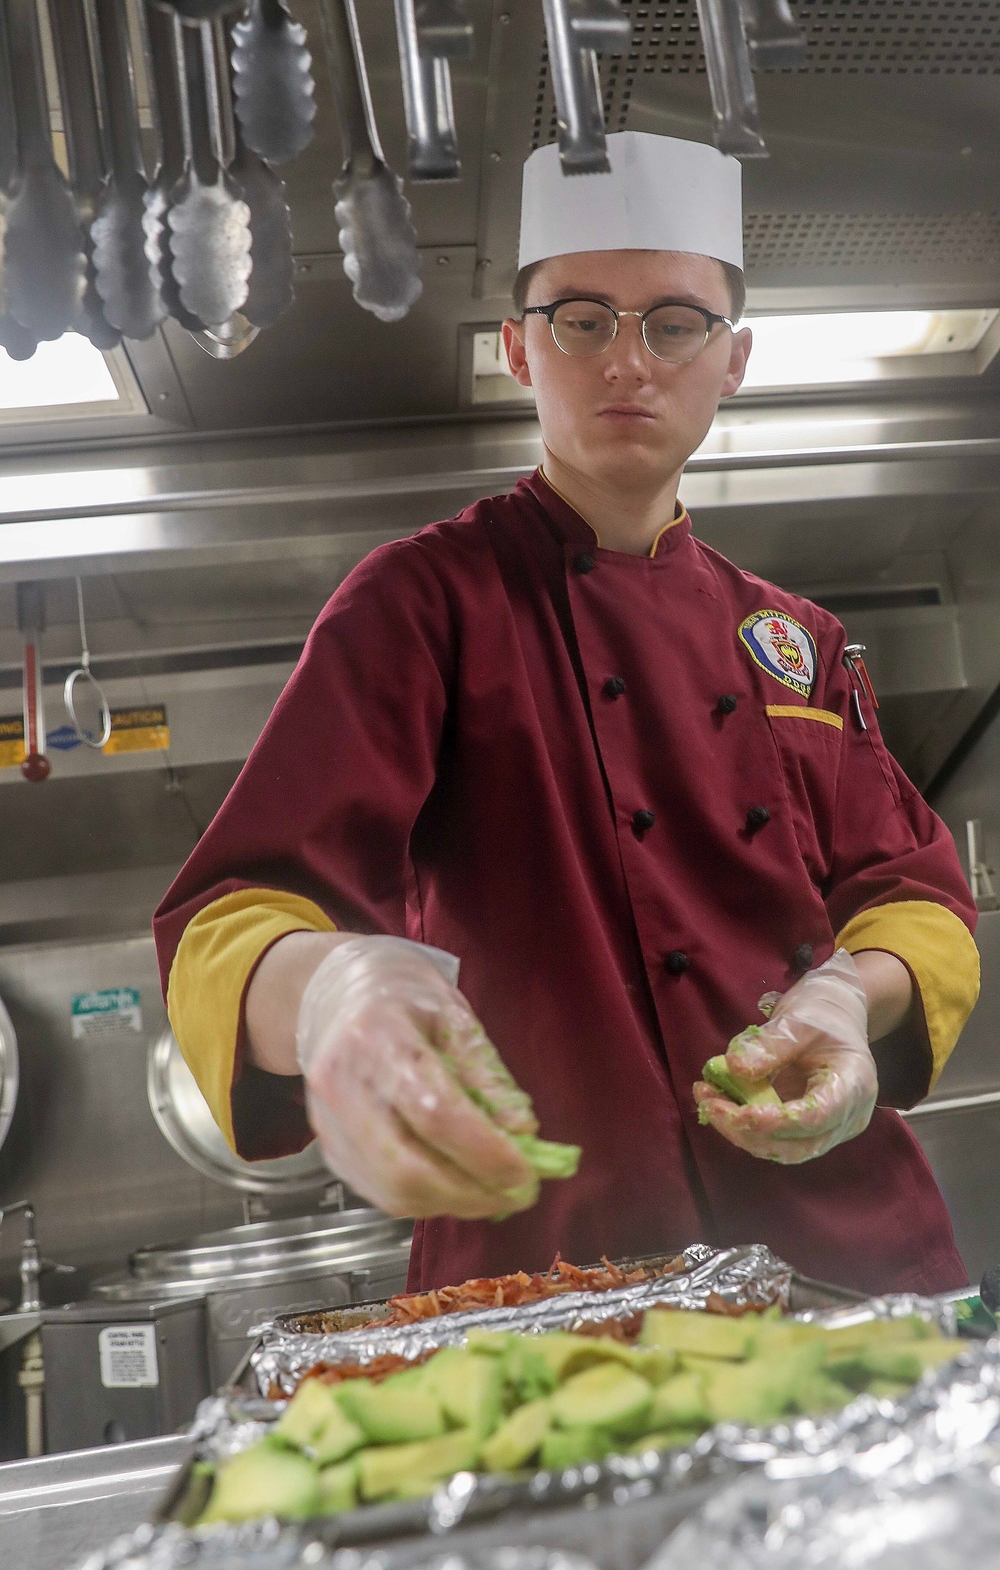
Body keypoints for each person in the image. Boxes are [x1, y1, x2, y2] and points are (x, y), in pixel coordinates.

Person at [154, 132, 980, 1297]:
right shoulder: (421, 603)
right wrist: (333, 994)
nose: (626, 362)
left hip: (847, 1254)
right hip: (555, 1268)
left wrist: (850, 1000)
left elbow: (914, 894)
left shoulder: (796, 640)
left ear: (734, 358)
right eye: (580, 318)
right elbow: (236, 909)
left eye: (674, 322)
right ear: (515, 348)